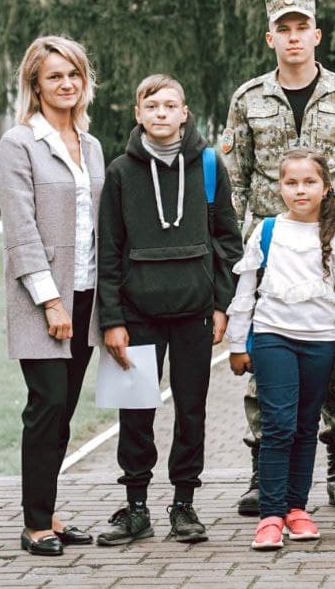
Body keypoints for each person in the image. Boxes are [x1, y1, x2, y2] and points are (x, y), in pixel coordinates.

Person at [222, 0, 335, 515]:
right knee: (268, 364)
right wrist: (243, 248)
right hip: (270, 249)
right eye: (283, 29)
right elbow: (235, 181)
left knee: (330, 355)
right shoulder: (248, 99)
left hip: (330, 246)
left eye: (301, 27)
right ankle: (266, 473)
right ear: (271, 38)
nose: (292, 37)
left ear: (316, 35)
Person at [95, 75, 243, 547]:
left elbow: (227, 240)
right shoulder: (119, 172)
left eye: (170, 105)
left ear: (185, 112)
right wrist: (112, 319)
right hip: (137, 314)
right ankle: (136, 506)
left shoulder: (208, 165)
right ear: (138, 114)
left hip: (194, 311)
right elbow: (110, 251)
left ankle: (185, 503)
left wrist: (222, 304)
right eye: (151, 105)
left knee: (192, 408)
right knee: (135, 408)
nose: (161, 112)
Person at [227, 150, 335, 551]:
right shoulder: (268, 230)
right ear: (279, 187)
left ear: (326, 187)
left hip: (321, 343)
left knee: (307, 426)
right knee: (278, 425)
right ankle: (270, 515)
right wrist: (238, 343)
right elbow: (245, 290)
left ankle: (296, 508)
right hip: (274, 338)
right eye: (291, 182)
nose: (300, 190)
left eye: (309, 182)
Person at [0, 36, 105, 557]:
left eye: (73, 75)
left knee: (64, 412)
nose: (66, 84)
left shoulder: (93, 144)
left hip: (87, 297)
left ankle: (50, 510)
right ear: (35, 85)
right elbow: (21, 231)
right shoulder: (19, 144)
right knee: (47, 404)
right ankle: (34, 522)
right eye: (54, 76)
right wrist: (50, 301)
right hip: (44, 298)